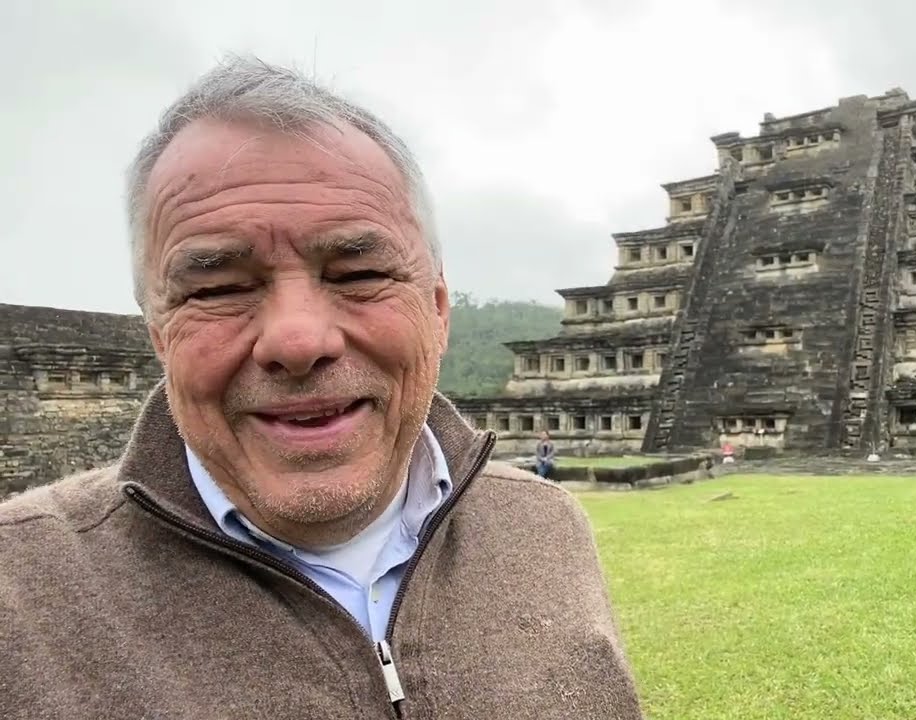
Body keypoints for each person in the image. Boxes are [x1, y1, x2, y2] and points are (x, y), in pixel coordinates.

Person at [0, 56, 642, 720]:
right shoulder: (19, 596)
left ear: (440, 309)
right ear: (160, 334)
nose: (298, 341)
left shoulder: (541, 526)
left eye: (357, 273)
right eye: (219, 288)